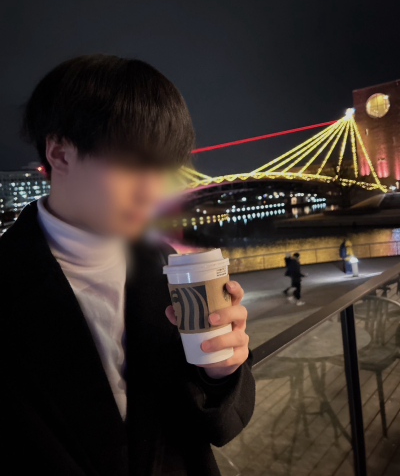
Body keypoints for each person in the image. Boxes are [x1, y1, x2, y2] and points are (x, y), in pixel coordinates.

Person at [1, 55, 255, 476]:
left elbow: (214, 427)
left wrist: (220, 372)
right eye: (133, 164)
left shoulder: (165, 266)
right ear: (60, 153)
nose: (153, 191)